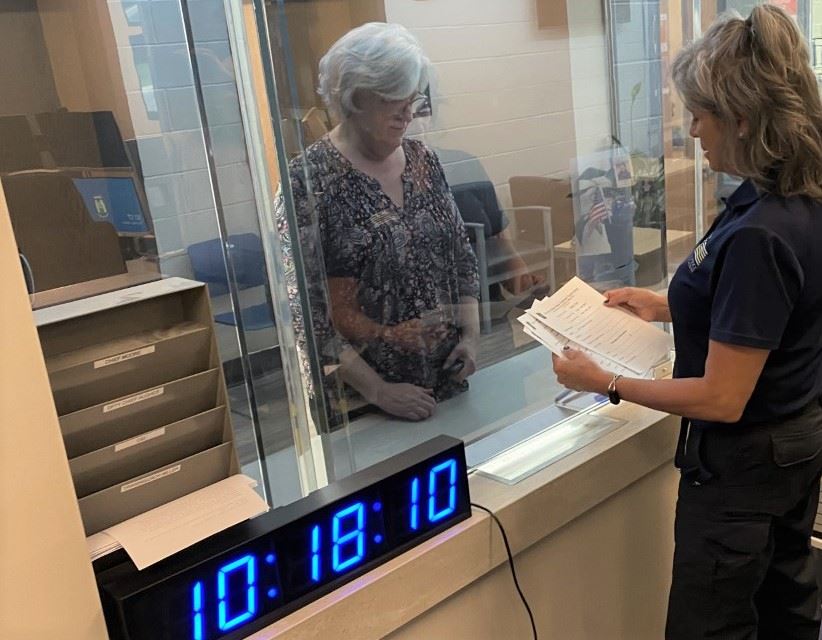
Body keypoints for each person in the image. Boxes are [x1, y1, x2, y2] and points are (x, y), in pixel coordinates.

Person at [551, 6, 822, 639]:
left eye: (700, 116)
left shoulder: (763, 231)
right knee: (786, 609)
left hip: (744, 475)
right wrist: (663, 304)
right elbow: (770, 310)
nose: (693, 131)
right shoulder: (788, 193)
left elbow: (722, 398)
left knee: (714, 627)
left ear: (745, 119)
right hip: (792, 447)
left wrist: (604, 383)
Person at [275, 22, 480, 422]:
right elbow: (307, 316)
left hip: (444, 385)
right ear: (354, 97)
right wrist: (380, 391)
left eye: (413, 98)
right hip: (365, 406)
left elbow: (462, 259)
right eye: (392, 99)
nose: (407, 112)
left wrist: (470, 338)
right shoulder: (307, 183)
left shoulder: (423, 160)